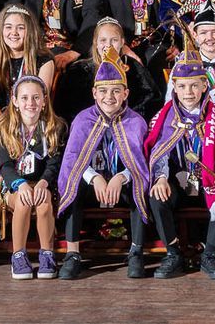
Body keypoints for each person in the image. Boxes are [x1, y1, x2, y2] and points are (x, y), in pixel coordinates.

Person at [54, 49, 153, 279]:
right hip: (93, 186)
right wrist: (94, 177)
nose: (109, 96)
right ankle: (72, 253)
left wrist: (122, 177)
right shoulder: (83, 119)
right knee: (74, 185)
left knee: (138, 184)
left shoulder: (136, 122)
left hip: (122, 185)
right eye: (103, 91)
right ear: (94, 93)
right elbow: (72, 160)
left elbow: (141, 163)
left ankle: (136, 251)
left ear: (126, 93)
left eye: (116, 91)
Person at [143, 56, 215, 279]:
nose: (188, 92)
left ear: (204, 86)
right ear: (174, 88)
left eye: (194, 85)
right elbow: (159, 149)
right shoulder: (165, 116)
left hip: (207, 178)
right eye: (183, 86)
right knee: (157, 196)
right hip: (179, 179)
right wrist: (161, 178)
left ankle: (210, 254)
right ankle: (173, 253)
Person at [0, 74, 66, 279]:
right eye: (24, 98)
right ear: (15, 101)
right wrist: (20, 184)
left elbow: (54, 163)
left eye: (36, 97)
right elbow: (5, 165)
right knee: (23, 202)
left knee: (44, 203)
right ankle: (18, 256)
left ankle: (47, 255)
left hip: (42, 182)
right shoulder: (5, 128)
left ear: (44, 101)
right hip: (15, 184)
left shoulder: (54, 127)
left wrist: (43, 183)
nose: (30, 103)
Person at [0, 4, 57, 122]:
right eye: (8, 27)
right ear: (0, 30)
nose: (14, 32)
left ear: (30, 31)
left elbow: (40, 101)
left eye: (20, 28)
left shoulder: (44, 60)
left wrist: (23, 126)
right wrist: (6, 125)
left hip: (33, 118)